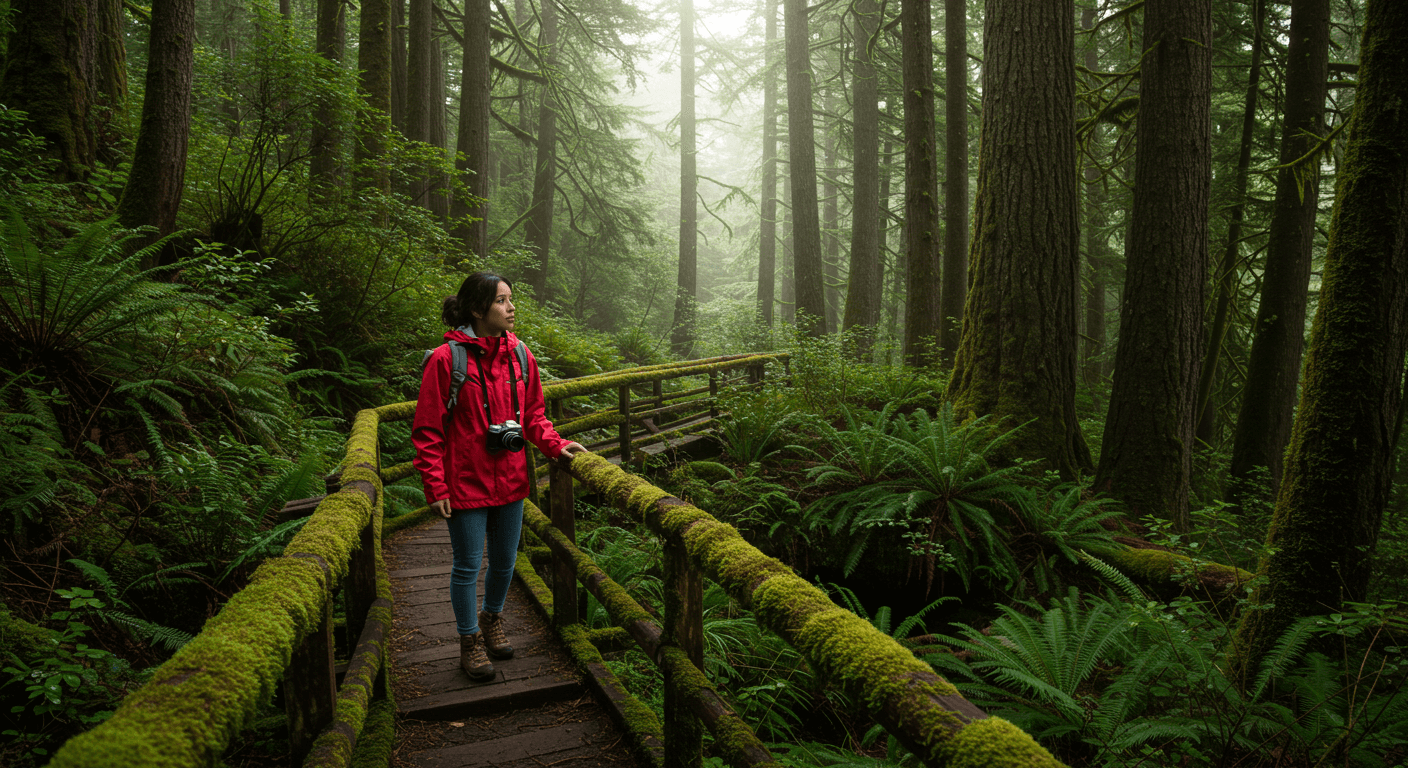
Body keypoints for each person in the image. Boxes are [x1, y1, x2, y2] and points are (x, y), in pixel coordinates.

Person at [412, 272, 586, 682]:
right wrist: (435, 484)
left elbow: (534, 415)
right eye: (502, 301)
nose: (511, 307)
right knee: (468, 565)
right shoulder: (446, 360)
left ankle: (492, 619)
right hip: (465, 481)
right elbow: (428, 430)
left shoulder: (520, 355)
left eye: (510, 299)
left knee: (506, 562)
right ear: (478, 309)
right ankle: (469, 639)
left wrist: (556, 445)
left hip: (510, 478)